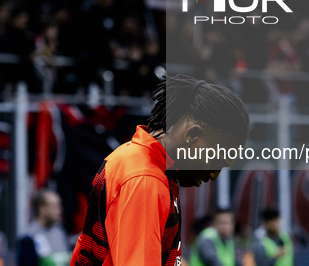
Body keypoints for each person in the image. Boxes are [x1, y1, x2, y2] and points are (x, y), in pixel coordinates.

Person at [70, 74, 250, 265]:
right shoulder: (145, 180)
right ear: (192, 135)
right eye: (215, 160)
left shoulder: (141, 161)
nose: (214, 174)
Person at [17, 189, 71, 266]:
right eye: (54, 206)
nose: (59, 210)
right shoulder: (28, 237)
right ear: (41, 209)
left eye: (59, 206)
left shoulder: (61, 233)